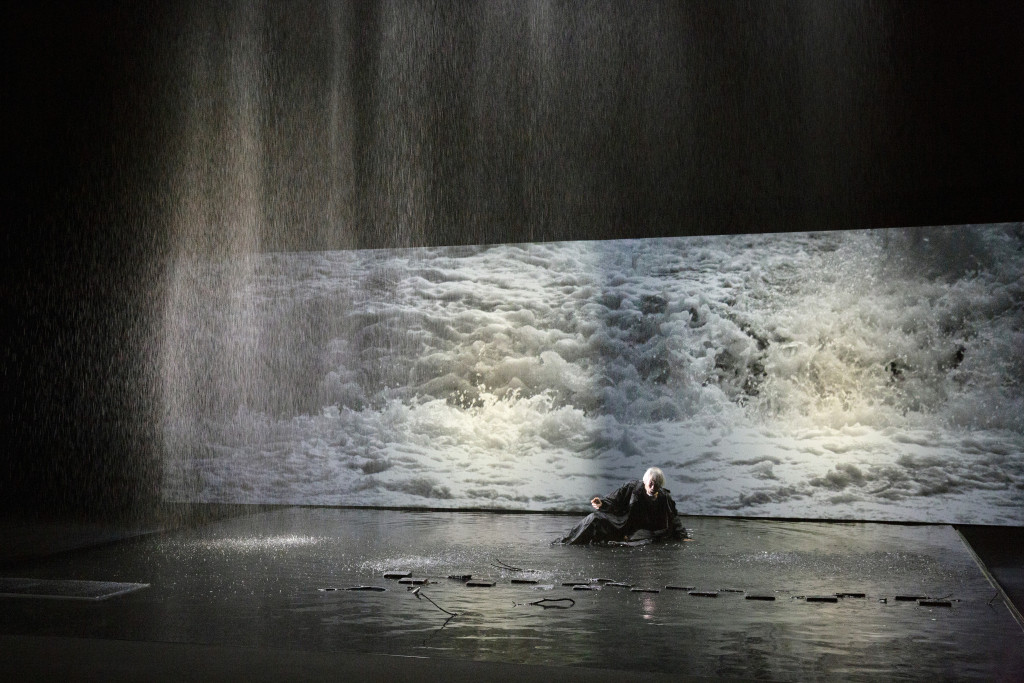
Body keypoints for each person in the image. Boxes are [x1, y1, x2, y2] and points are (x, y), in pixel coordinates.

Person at [556, 467, 683, 545]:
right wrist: (602, 503)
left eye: (657, 485)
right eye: (651, 483)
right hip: (623, 524)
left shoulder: (664, 497)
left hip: (645, 531)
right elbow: (615, 498)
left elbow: (673, 517)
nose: (653, 487)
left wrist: (682, 536)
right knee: (594, 519)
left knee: (643, 539)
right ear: (645, 481)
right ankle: (567, 541)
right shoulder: (632, 487)